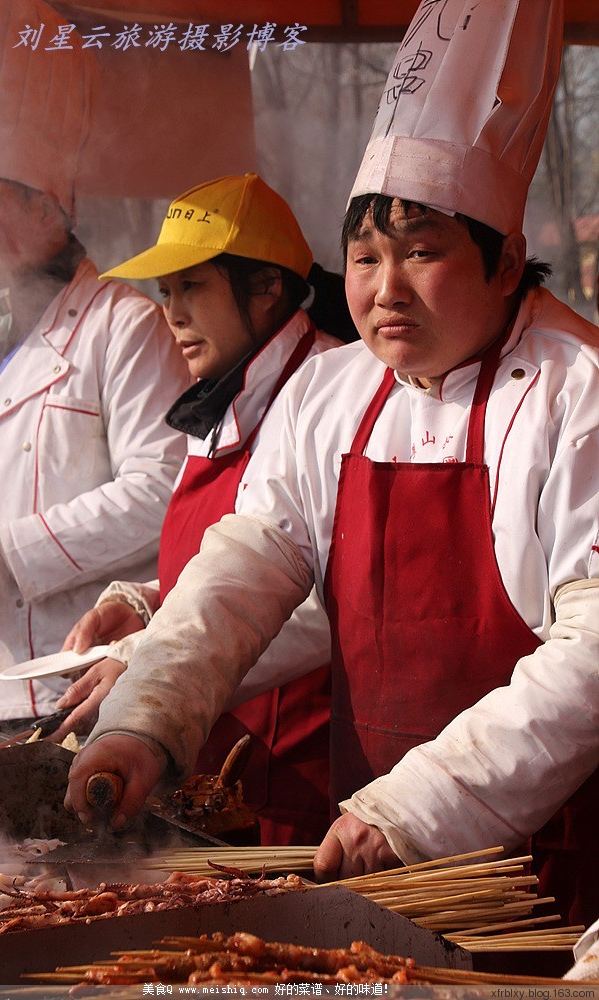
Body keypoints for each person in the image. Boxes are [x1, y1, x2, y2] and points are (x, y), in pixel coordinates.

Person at [66, 0, 598, 925]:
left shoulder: (575, 391)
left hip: (538, 863)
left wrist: (423, 804)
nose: (383, 291)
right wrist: (147, 715)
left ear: (507, 262)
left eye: (422, 254)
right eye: (363, 258)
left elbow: (592, 653)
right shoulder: (335, 389)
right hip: (369, 842)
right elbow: (247, 567)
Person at [52, 173, 344, 845]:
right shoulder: (219, 397)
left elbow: (314, 596)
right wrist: (148, 601)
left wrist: (144, 656)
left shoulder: (327, 394)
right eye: (166, 292)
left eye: (193, 287)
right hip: (204, 756)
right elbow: (218, 565)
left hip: (299, 771)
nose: (173, 314)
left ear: (268, 286)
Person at [0, 0, 189, 724]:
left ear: (48, 210)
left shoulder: (123, 326)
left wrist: (11, 551)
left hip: (83, 679)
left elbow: (164, 488)